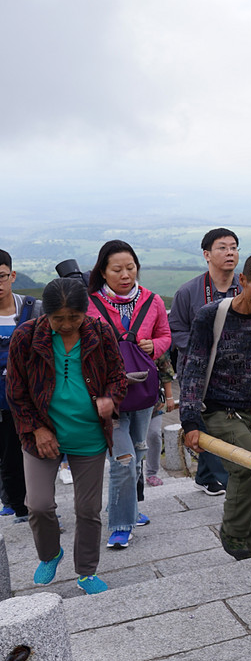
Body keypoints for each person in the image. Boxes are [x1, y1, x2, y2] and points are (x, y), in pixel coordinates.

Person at [6, 277, 128, 595]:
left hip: (88, 434)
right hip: (41, 434)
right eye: (58, 318)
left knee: (88, 509)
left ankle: (86, 571)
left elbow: (118, 376)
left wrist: (110, 399)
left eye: (73, 317)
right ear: (45, 314)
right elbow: (16, 393)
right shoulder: (26, 337)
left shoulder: (100, 333)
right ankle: (51, 553)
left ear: (84, 312)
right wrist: (37, 428)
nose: (66, 324)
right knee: (39, 504)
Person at [181, 253, 251, 560]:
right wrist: (190, 421)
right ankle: (234, 537)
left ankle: (250, 546)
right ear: (243, 282)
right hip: (220, 410)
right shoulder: (211, 316)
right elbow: (193, 367)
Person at [86, 240, 171, 549]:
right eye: (117, 269)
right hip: (109, 395)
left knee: (137, 451)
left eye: (131, 268)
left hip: (144, 389)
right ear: (103, 272)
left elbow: (165, 335)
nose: (125, 275)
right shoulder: (90, 304)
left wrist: (154, 346)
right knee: (123, 459)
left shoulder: (153, 301)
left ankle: (128, 509)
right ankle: (120, 524)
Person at [168, 228, 240, 496]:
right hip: (200, 372)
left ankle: (205, 476)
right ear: (206, 254)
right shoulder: (189, 292)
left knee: (225, 421)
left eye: (234, 247)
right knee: (207, 422)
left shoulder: (244, 289)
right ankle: (225, 480)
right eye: (222, 247)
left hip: (236, 372)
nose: (230, 252)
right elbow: (176, 329)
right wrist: (202, 350)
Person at [0, 249, 43, 523]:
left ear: (12, 275)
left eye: (1, 277)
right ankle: (19, 507)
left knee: (38, 455)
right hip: (2, 405)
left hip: (32, 400)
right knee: (9, 458)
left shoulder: (33, 309)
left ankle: (41, 507)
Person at [144, 352, 176, 487]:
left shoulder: (154, 344)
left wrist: (169, 397)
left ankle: (152, 472)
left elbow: (165, 369)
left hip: (153, 402)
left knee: (154, 434)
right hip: (126, 404)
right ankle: (135, 472)